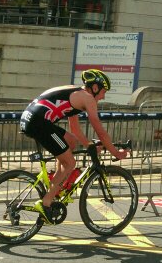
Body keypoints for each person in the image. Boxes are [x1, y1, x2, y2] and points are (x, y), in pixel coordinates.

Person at [18, 69, 128, 223]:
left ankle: (55, 185)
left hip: (33, 119)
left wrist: (89, 145)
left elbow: (75, 130)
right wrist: (116, 153)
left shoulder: (75, 95)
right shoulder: (88, 98)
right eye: (104, 92)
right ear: (95, 88)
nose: (103, 96)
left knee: (70, 141)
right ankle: (46, 203)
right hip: (39, 123)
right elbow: (100, 131)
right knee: (70, 163)